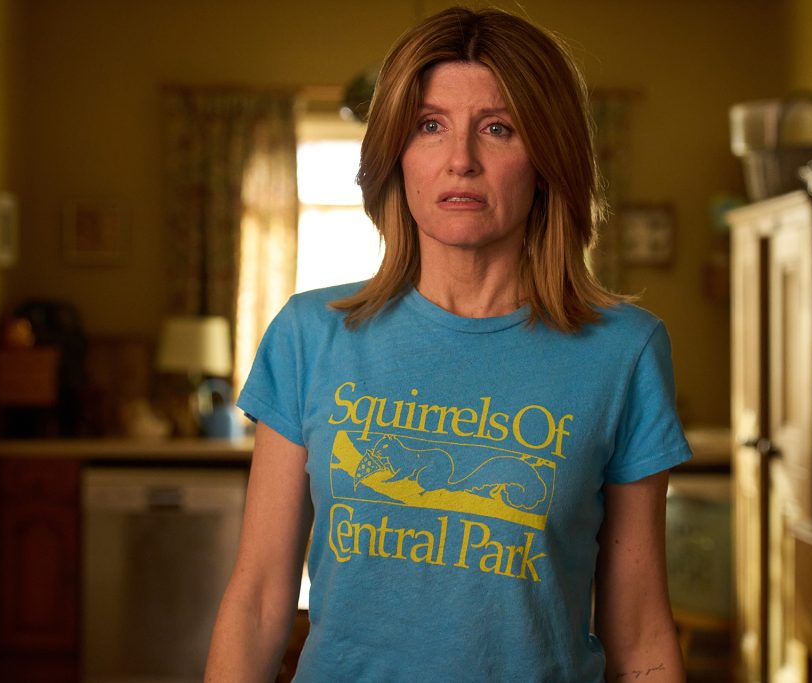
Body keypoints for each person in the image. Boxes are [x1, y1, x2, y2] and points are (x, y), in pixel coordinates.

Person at [204, 6, 691, 682]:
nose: (460, 160)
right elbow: (258, 599)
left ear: (546, 158)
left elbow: (638, 632)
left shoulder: (624, 352)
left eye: (497, 128)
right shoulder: (308, 334)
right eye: (429, 126)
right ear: (397, 156)